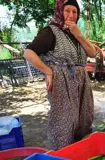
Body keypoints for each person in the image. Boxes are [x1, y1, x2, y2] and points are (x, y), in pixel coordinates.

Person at [24, 0, 96, 150]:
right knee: (65, 121)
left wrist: (79, 34)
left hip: (81, 82)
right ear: (60, 12)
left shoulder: (75, 33)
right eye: (67, 11)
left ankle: (78, 152)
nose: (71, 15)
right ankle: (63, 156)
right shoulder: (50, 32)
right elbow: (29, 53)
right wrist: (48, 71)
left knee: (84, 118)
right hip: (62, 82)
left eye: (74, 12)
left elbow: (92, 53)